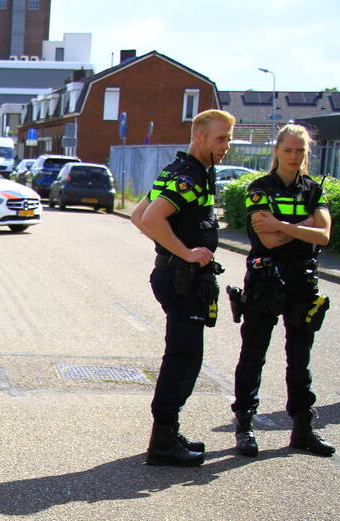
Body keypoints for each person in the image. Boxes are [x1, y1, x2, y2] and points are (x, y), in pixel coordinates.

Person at [130, 109, 235, 467]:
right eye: (221, 138)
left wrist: (173, 252)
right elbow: (149, 217)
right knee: (183, 360)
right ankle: (162, 443)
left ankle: (168, 434)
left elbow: (137, 214)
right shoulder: (187, 176)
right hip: (180, 280)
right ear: (200, 137)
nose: (227, 146)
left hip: (178, 276)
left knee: (186, 358)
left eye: (229, 139)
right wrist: (184, 253)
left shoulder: (191, 173)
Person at [230, 124, 335, 457]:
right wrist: (304, 228)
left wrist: (282, 225)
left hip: (303, 281)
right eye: (288, 150)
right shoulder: (260, 189)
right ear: (276, 150)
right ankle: (244, 427)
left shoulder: (313, 190)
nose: (294, 156)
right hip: (265, 281)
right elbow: (268, 239)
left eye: (300, 151)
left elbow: (325, 236)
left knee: (300, 358)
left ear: (307, 153)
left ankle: (303, 429)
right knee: (253, 354)